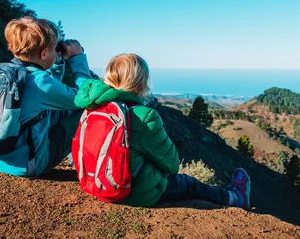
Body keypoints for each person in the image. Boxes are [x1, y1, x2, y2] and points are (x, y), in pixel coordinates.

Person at [74, 53, 251, 208]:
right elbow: (172, 164)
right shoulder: (144, 116)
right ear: (140, 83)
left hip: (95, 185)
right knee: (190, 184)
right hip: (133, 192)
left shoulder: (93, 109)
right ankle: (234, 196)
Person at [0, 16, 91, 178]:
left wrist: (56, 63)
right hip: (30, 164)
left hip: (4, 157)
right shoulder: (40, 82)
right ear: (44, 53)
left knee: (61, 110)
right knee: (86, 111)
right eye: (53, 48)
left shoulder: (11, 72)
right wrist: (77, 58)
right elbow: (86, 97)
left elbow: (50, 94)